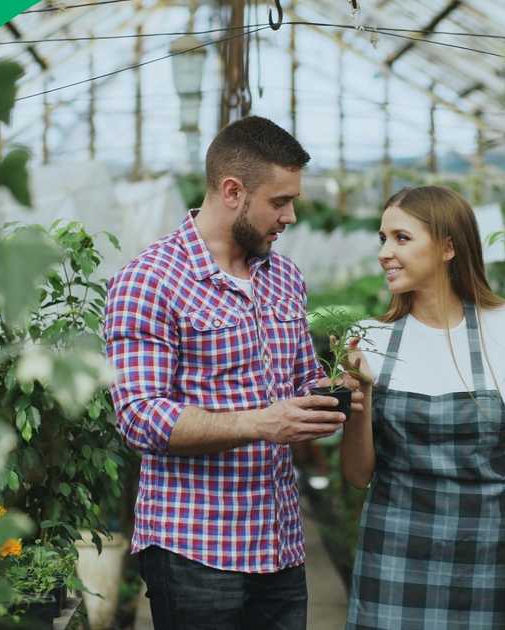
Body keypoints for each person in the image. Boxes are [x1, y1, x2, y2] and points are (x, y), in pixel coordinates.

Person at [103, 115, 351, 630]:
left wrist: (332, 390)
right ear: (233, 191)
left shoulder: (284, 276)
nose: (290, 216)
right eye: (279, 202)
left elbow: (299, 382)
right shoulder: (150, 280)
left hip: (280, 543)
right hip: (195, 549)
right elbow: (139, 417)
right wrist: (262, 423)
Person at [339, 186, 505, 630]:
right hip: (393, 551)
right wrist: (361, 393)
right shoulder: (369, 339)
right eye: (382, 239)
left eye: (402, 238)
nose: (385, 253)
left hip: (481, 552)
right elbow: (357, 474)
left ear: (448, 247)